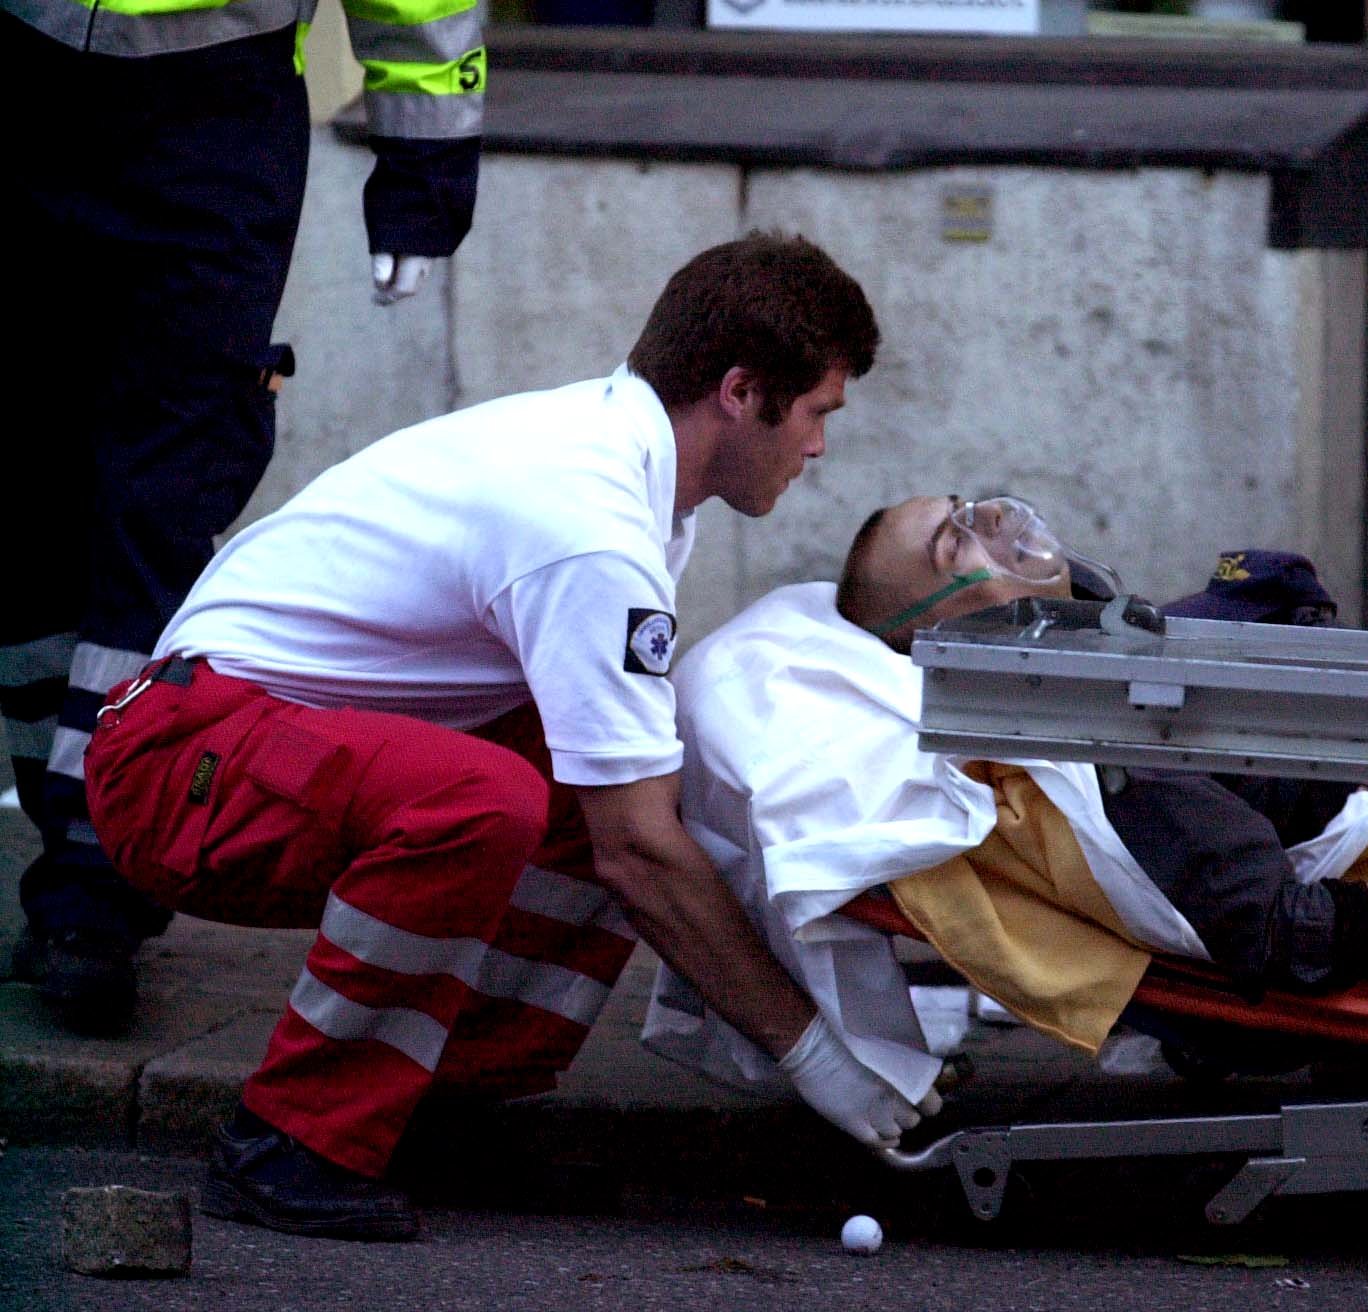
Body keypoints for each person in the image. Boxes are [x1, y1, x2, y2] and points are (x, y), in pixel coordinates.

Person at [81, 234, 937, 1243]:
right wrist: (812, 1053)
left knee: (618, 759)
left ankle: (438, 1112)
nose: (819, 449)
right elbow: (640, 856)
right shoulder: (589, 518)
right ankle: (291, 1140)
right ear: (742, 393)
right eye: (816, 415)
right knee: (500, 801)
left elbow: (627, 810)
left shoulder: (626, 470)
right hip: (178, 763)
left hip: (242, 745)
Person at [641, 494, 1368, 1101]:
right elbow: (1295, 938)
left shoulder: (1105, 689)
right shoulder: (1098, 761)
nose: (992, 522)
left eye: (966, 505)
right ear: (938, 625)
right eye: (955, 539)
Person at [4, 0, 486, 1034]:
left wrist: (423, 176)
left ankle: (98, 883)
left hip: (214, 104)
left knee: (160, 505)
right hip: (20, 72)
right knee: (26, 510)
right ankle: (75, 845)